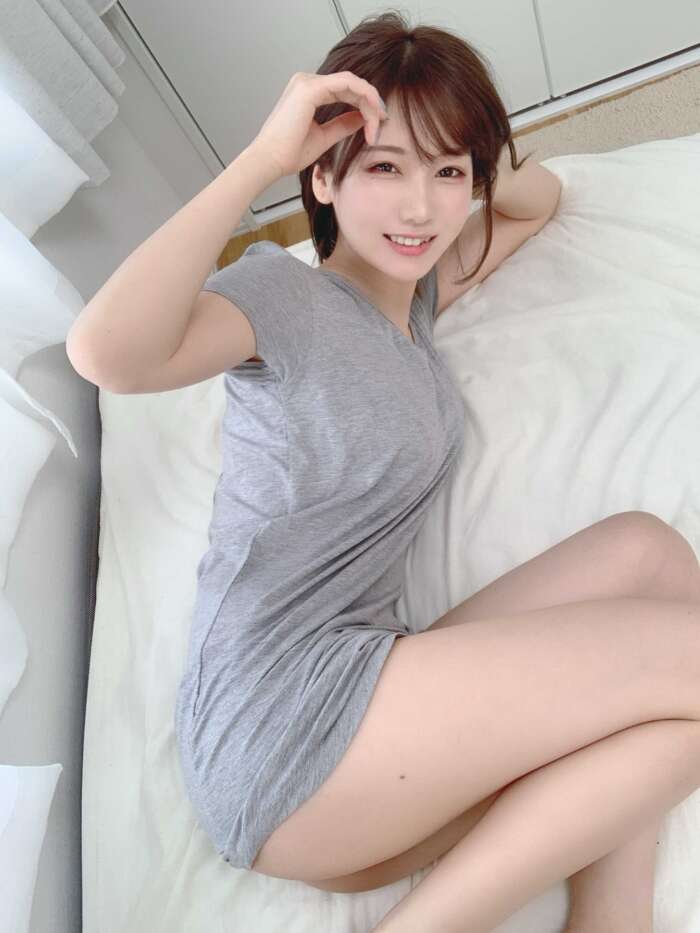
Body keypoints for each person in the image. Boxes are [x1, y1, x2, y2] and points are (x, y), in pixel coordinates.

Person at [66, 11, 700, 932]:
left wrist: (472, 146)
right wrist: (261, 161)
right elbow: (107, 354)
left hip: (367, 737)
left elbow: (539, 200)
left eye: (447, 174)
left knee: (649, 557)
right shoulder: (283, 292)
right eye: (386, 168)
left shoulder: (420, 303)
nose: (420, 209)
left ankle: (610, 917)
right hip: (283, 726)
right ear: (324, 176)